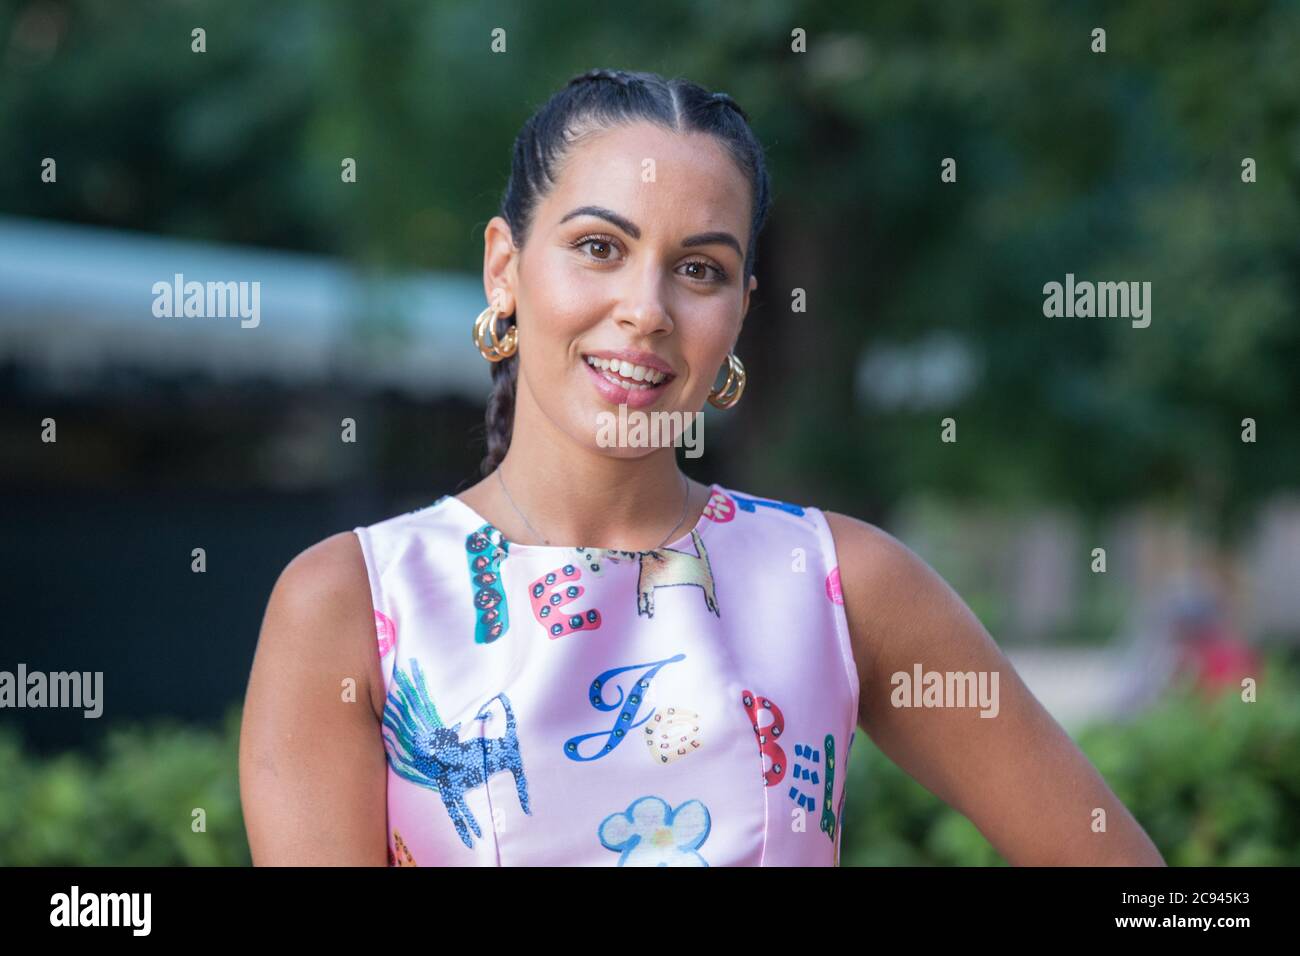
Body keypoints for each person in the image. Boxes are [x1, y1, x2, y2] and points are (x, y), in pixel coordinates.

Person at [239, 68, 1165, 867]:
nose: (645, 310)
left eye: (700, 270)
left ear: (740, 310)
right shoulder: (352, 602)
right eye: (600, 248)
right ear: (504, 270)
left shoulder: (841, 583)